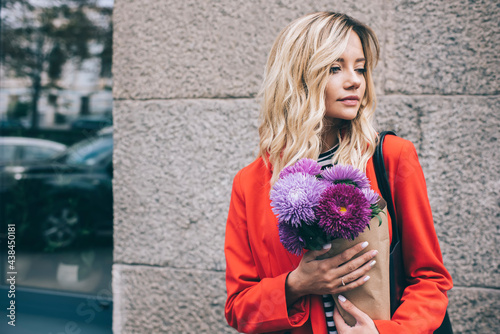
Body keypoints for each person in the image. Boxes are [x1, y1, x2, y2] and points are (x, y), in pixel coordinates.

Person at [224, 12, 452, 334]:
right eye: (335, 67)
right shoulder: (251, 183)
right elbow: (238, 309)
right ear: (299, 77)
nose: (355, 80)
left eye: (359, 67)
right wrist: (295, 285)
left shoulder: (390, 158)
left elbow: (430, 279)